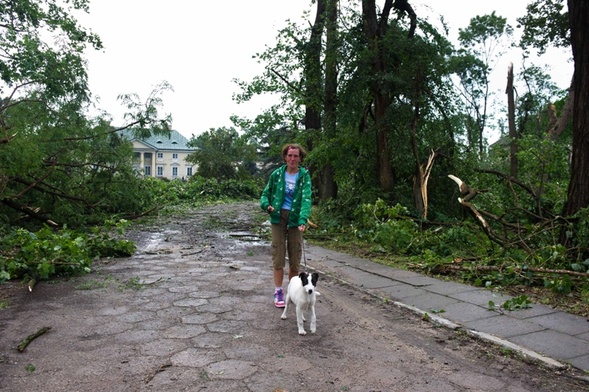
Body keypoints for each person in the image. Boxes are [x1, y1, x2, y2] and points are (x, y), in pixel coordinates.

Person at [260, 143, 313, 308]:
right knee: (278, 255)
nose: (292, 159)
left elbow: (306, 199)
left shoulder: (304, 176)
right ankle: (278, 291)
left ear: (300, 158)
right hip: (278, 217)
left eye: (296, 156)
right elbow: (265, 195)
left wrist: (303, 219)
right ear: (285, 157)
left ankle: (293, 291)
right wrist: (266, 205)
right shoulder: (277, 174)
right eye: (290, 155)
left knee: (295, 257)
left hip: (296, 220)